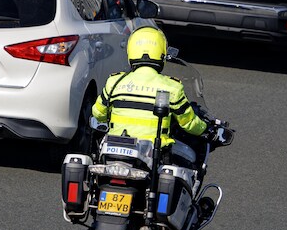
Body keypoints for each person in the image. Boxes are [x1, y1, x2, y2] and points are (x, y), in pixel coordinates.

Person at [92, 26, 222, 169]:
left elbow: (98, 113)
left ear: (130, 52)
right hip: (154, 155)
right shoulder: (172, 87)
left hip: (114, 152)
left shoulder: (115, 82)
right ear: (162, 53)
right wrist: (206, 129)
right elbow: (189, 123)